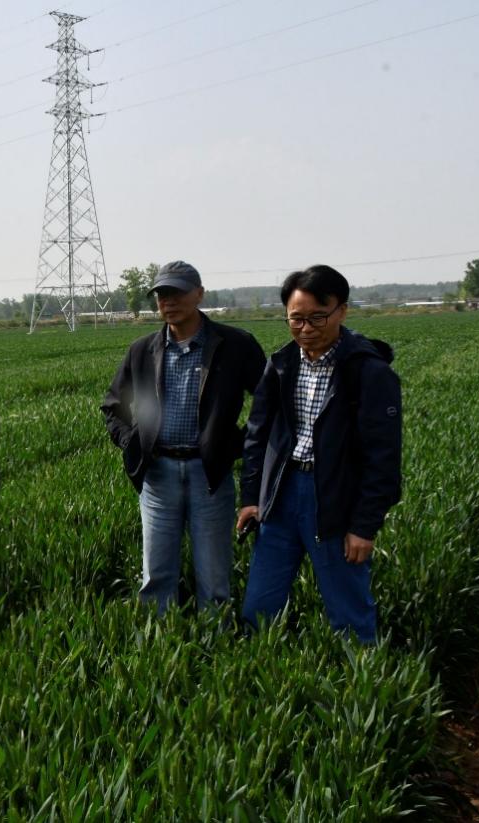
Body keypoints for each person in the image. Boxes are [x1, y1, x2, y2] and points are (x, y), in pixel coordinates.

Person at [237, 264, 402, 644]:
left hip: (333, 499)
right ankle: (260, 668)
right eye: (296, 319)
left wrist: (364, 526)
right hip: (281, 494)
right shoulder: (281, 365)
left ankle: (360, 673)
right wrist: (251, 497)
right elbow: (258, 436)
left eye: (317, 317)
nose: (306, 328)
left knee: (348, 610)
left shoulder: (368, 372)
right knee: (259, 607)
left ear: (342, 311)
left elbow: (383, 458)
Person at [102, 260, 266, 613]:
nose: (168, 301)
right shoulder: (142, 350)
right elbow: (113, 406)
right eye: (162, 294)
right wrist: (132, 443)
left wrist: (239, 443)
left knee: (214, 575)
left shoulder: (235, 345)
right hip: (158, 475)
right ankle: (161, 637)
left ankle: (215, 635)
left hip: (210, 474)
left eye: (177, 292)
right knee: (156, 573)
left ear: (199, 294)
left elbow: (268, 404)